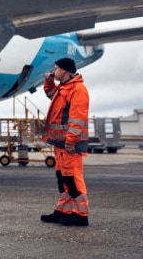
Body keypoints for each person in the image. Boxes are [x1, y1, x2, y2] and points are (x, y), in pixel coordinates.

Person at [40, 57, 90, 227]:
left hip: (70, 144)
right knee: (62, 178)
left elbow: (78, 119)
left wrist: (71, 141)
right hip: (60, 143)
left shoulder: (78, 90)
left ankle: (81, 214)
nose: (54, 72)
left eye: (56, 69)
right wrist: (48, 81)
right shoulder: (63, 89)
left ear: (66, 71)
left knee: (73, 178)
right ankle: (63, 210)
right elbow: (50, 95)